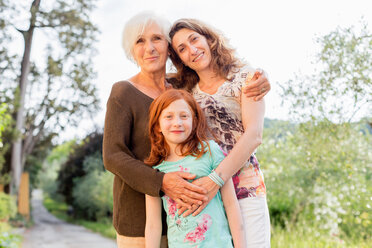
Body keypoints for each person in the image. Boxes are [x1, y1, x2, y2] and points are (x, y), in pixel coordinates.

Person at [103, 11, 269, 248]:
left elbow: (223, 77)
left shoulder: (184, 87)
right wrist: (162, 182)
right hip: (142, 216)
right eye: (140, 41)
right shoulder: (123, 92)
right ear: (131, 50)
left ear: (168, 49)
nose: (149, 48)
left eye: (157, 39)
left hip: (201, 210)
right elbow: (112, 156)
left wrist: (263, 77)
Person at [169, 18, 271, 247]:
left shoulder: (247, 77)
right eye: (182, 49)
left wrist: (216, 178)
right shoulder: (185, 92)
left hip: (245, 187)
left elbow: (254, 135)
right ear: (179, 59)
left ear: (208, 38)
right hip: (207, 196)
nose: (192, 50)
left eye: (194, 39)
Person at [145, 89, 246, 248]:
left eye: (184, 116)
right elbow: (152, 224)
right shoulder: (156, 171)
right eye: (168, 117)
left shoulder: (210, 151)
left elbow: (231, 205)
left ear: (194, 121)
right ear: (157, 125)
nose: (177, 122)